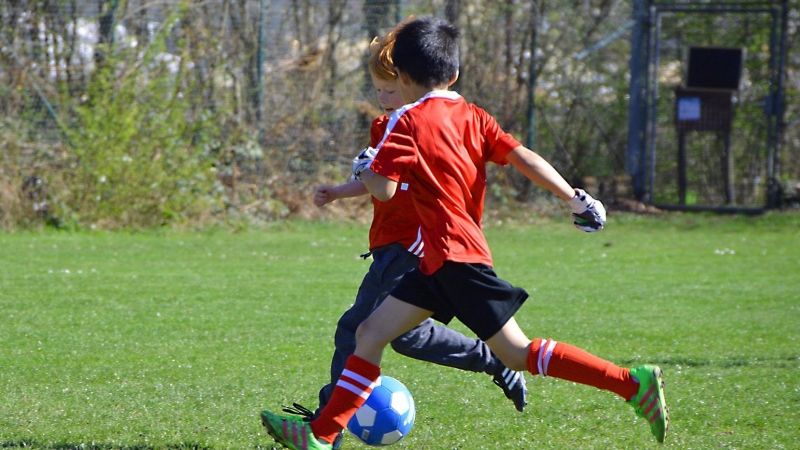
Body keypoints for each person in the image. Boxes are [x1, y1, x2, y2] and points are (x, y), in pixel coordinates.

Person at [261, 16, 669, 450]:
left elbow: (383, 191)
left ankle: (630, 383)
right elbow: (524, 157)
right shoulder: (473, 115)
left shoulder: (403, 121)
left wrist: (370, 163)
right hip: (437, 258)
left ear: (399, 74)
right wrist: (575, 198)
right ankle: (321, 436)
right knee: (369, 333)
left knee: (517, 353)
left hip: (454, 257)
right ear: (452, 74)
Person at [285, 28, 527, 449]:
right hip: (391, 244)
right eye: (378, 89)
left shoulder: (421, 123)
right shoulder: (388, 124)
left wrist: (365, 172)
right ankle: (495, 358)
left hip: (411, 245)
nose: (384, 97)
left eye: (391, 88)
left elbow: (391, 185)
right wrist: (342, 190)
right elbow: (381, 180)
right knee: (402, 334)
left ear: (412, 81)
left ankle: (327, 428)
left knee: (357, 328)